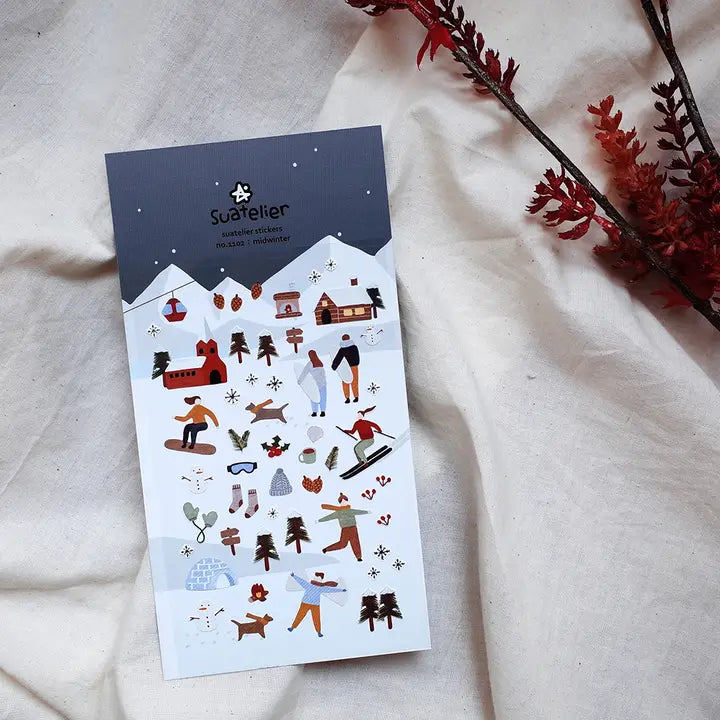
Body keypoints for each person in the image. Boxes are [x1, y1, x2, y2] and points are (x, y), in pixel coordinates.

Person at [287, 572, 346, 637]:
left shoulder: (321, 588)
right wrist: (294, 576)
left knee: (316, 618)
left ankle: (318, 631)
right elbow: (301, 581)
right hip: (306, 603)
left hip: (315, 605)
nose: (317, 579)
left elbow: (330, 589)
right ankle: (292, 627)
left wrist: (341, 590)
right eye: (316, 577)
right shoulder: (308, 585)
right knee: (300, 615)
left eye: (319, 578)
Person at [296, 349, 327, 417]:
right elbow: (323, 375)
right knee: (322, 397)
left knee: (314, 397)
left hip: (314, 384)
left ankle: (315, 412)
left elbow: (304, 372)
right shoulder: (320, 363)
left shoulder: (310, 364)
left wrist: (300, 380)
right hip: (322, 384)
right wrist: (324, 383)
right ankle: (322, 411)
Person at [331, 333, 360, 403]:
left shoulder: (342, 349)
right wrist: (356, 363)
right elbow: (357, 357)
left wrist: (334, 366)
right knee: (355, 381)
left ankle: (347, 398)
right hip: (354, 366)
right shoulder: (354, 347)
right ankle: (356, 397)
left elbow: (338, 358)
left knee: (345, 381)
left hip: (345, 367)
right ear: (349, 338)